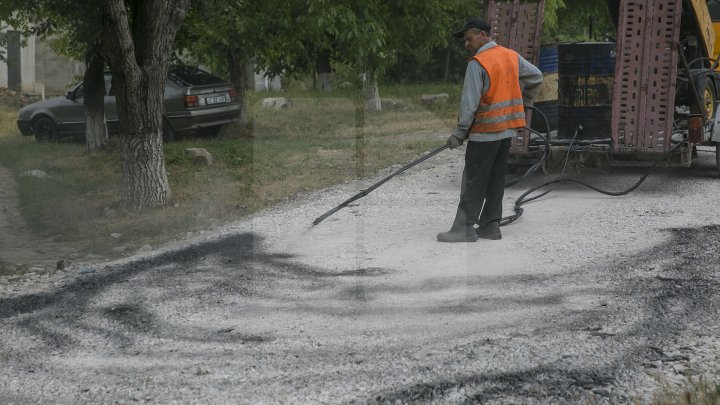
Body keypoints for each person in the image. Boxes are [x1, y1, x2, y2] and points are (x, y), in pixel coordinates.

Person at [437, 18, 543, 243]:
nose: (466, 44)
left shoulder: (478, 63)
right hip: (506, 133)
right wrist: (527, 99)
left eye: (469, 39)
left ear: (483, 36)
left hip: (484, 132)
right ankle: (490, 226)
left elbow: (469, 104)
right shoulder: (510, 56)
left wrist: (459, 133)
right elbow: (537, 76)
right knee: (495, 179)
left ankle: (463, 228)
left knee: (474, 180)